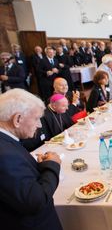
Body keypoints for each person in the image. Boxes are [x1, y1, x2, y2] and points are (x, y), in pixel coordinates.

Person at [0, 89, 62, 230]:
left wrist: (38, 167)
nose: (40, 125)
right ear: (17, 119)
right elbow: (36, 201)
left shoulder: (7, 142)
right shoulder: (5, 154)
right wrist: (52, 165)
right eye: (36, 118)